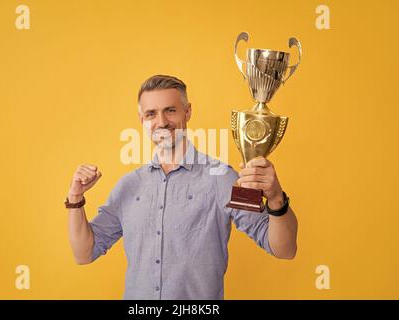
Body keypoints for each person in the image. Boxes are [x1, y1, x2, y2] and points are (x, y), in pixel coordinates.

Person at [65, 74, 298, 299]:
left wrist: (276, 198)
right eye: (151, 114)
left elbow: (283, 249)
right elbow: (84, 253)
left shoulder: (223, 178)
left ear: (188, 112)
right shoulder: (129, 186)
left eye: (170, 110)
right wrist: (75, 198)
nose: (162, 122)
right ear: (142, 120)